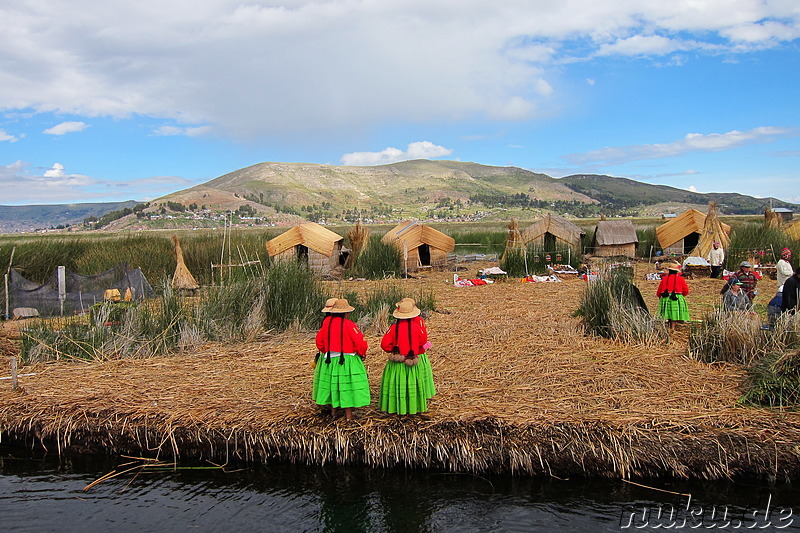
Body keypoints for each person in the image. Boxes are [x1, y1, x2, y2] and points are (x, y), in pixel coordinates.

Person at [314, 298, 370, 420]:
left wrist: (327, 351)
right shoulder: (349, 325)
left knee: (333, 385)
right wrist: (361, 353)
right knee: (347, 387)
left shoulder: (326, 324)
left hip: (329, 360)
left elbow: (319, 342)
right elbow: (359, 342)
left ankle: (333, 412)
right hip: (347, 360)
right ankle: (349, 416)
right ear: (346, 313)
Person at [378, 298, 436, 415]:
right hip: (411, 361)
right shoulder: (417, 327)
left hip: (397, 363)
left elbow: (384, 344)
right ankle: (413, 408)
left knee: (397, 385)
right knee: (412, 385)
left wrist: (395, 351)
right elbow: (423, 340)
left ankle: (397, 408)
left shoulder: (394, 328)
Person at [657, 262, 690, 330]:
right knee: (674, 313)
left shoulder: (665, 278)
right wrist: (681, 296)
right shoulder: (680, 279)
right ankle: (673, 327)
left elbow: (659, 291)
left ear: (669, 270)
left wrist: (660, 296)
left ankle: (670, 326)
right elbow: (685, 290)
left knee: (669, 312)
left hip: (665, 298)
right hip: (676, 298)